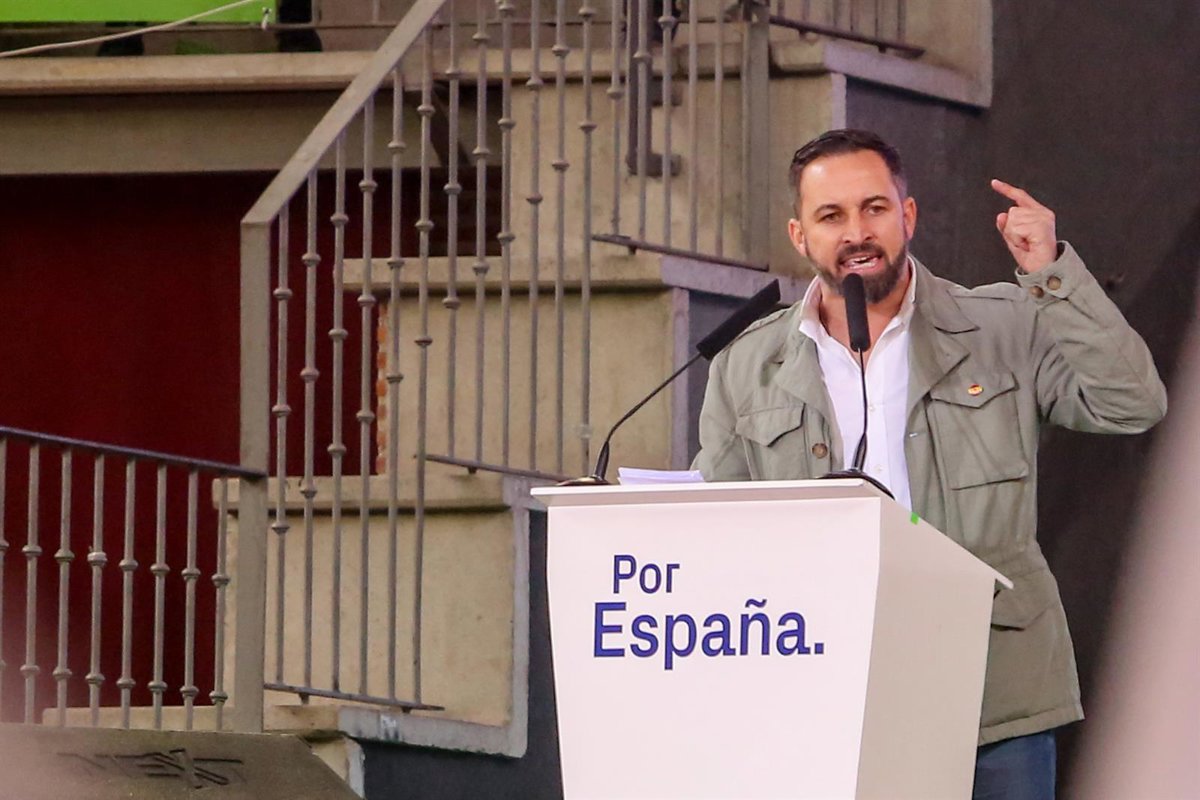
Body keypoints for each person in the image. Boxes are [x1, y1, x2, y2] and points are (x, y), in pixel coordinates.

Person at [692, 129, 1167, 799]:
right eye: (831, 216)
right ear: (800, 236)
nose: (857, 232)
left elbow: (1132, 403)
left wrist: (1051, 274)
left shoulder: (1004, 324)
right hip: (826, 692)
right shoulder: (746, 363)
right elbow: (714, 527)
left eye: (874, 208)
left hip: (991, 692)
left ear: (908, 215)